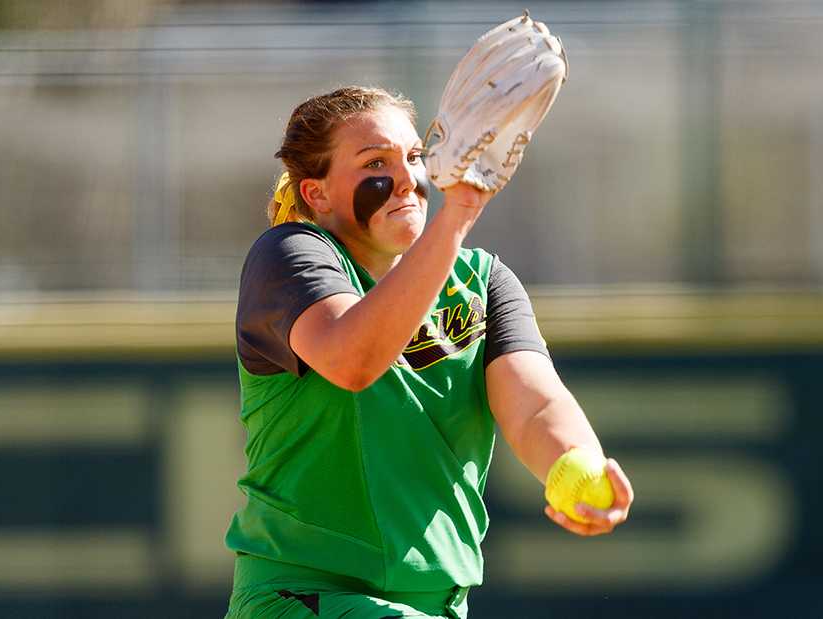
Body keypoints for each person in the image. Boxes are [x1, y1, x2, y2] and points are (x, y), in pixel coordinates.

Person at [224, 86, 633, 619]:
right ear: (317, 194)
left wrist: (574, 465)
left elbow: (535, 406)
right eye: (376, 162)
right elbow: (353, 361)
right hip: (307, 597)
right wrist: (458, 213)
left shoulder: (481, 281)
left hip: (439, 605)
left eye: (414, 158)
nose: (405, 179)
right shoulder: (288, 255)